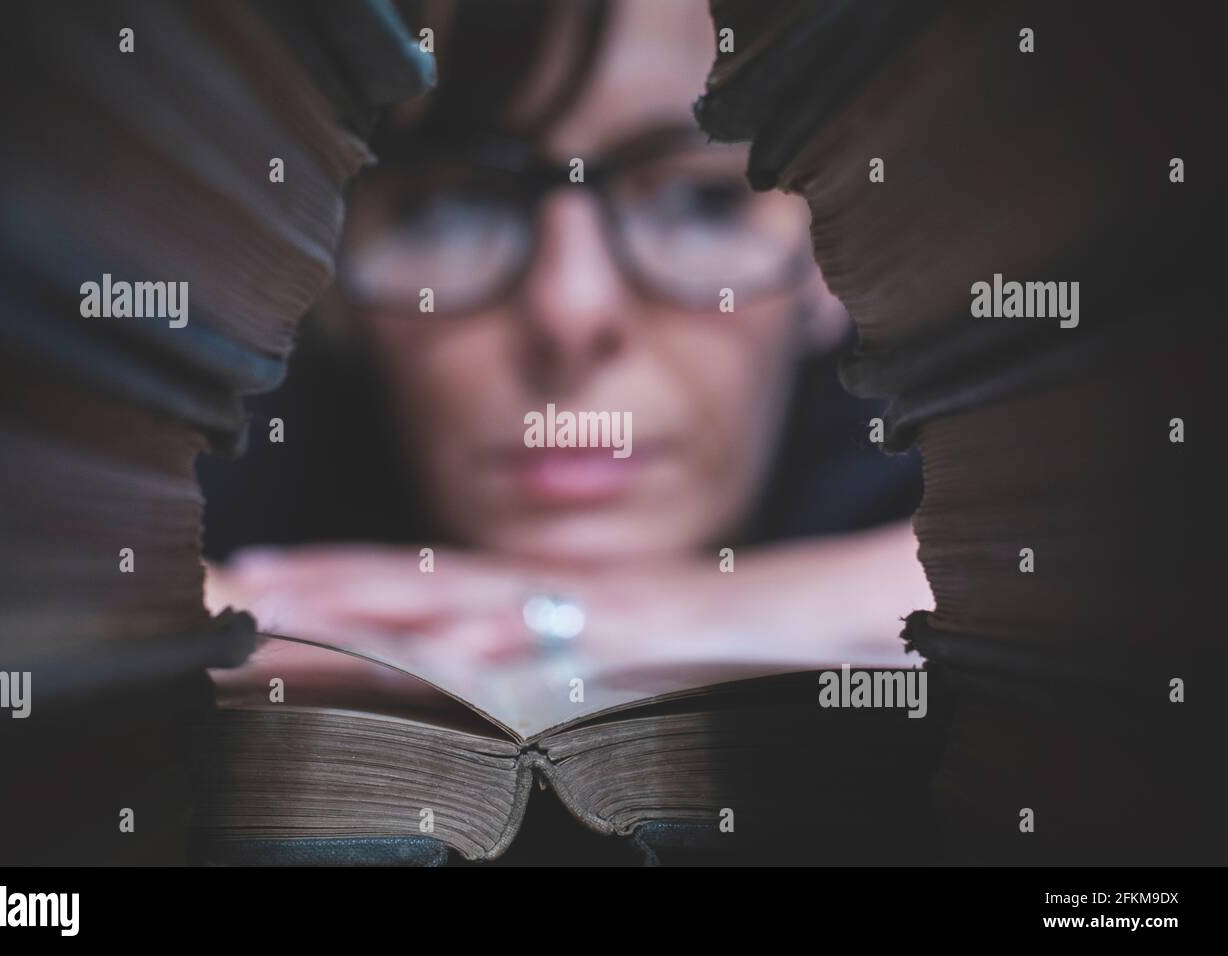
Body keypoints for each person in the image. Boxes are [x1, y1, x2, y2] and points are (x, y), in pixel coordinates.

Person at [200, 0, 931, 678]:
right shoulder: (221, 451)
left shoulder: (950, 443)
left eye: (698, 201)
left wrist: (629, 619)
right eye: (450, 209)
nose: (570, 311)